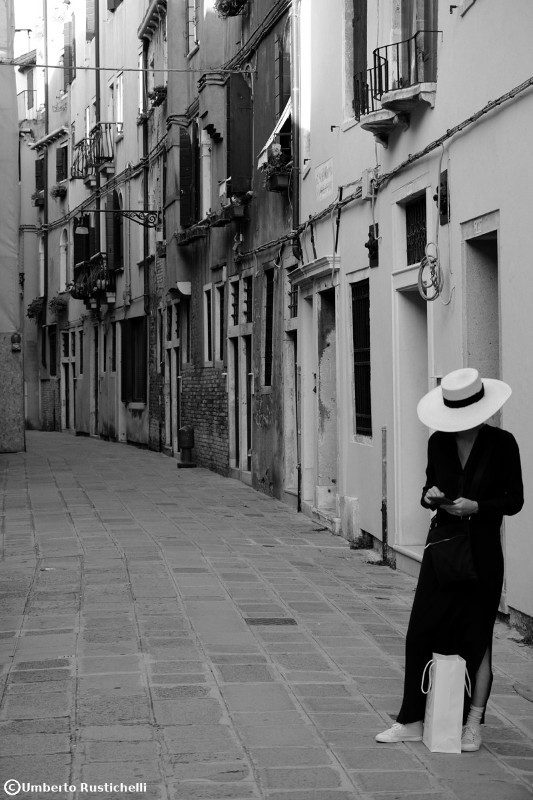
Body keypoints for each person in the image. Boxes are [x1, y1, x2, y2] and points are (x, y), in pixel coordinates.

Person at [376, 368, 523, 752]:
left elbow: (515, 500)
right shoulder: (438, 442)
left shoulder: (503, 444)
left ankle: (473, 723)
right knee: (421, 631)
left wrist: (478, 506)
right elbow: (428, 486)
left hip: (484, 552)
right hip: (442, 547)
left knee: (476, 637)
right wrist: (430, 496)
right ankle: (411, 719)